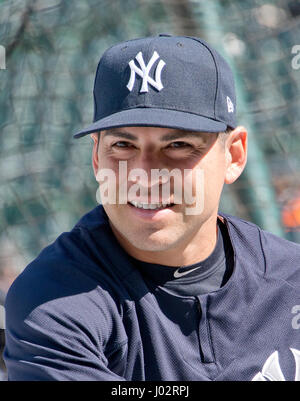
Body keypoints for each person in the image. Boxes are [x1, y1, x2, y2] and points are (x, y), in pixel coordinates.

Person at [4, 34, 300, 381]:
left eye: (177, 144)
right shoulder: (52, 299)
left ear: (234, 155)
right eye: (123, 145)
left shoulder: (289, 277)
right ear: (96, 156)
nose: (145, 174)